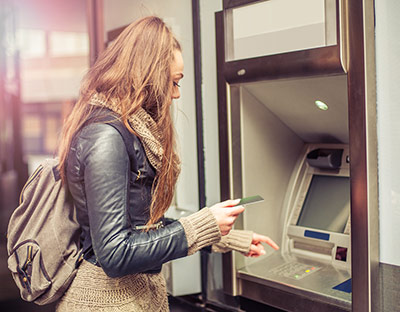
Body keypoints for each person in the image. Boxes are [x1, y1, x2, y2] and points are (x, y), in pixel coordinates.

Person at [56, 16, 279, 312]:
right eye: (173, 82)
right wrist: (203, 224)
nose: (176, 94)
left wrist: (223, 236)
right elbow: (114, 253)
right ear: (146, 76)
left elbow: (140, 228)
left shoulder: (128, 131)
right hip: (104, 302)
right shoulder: (106, 137)